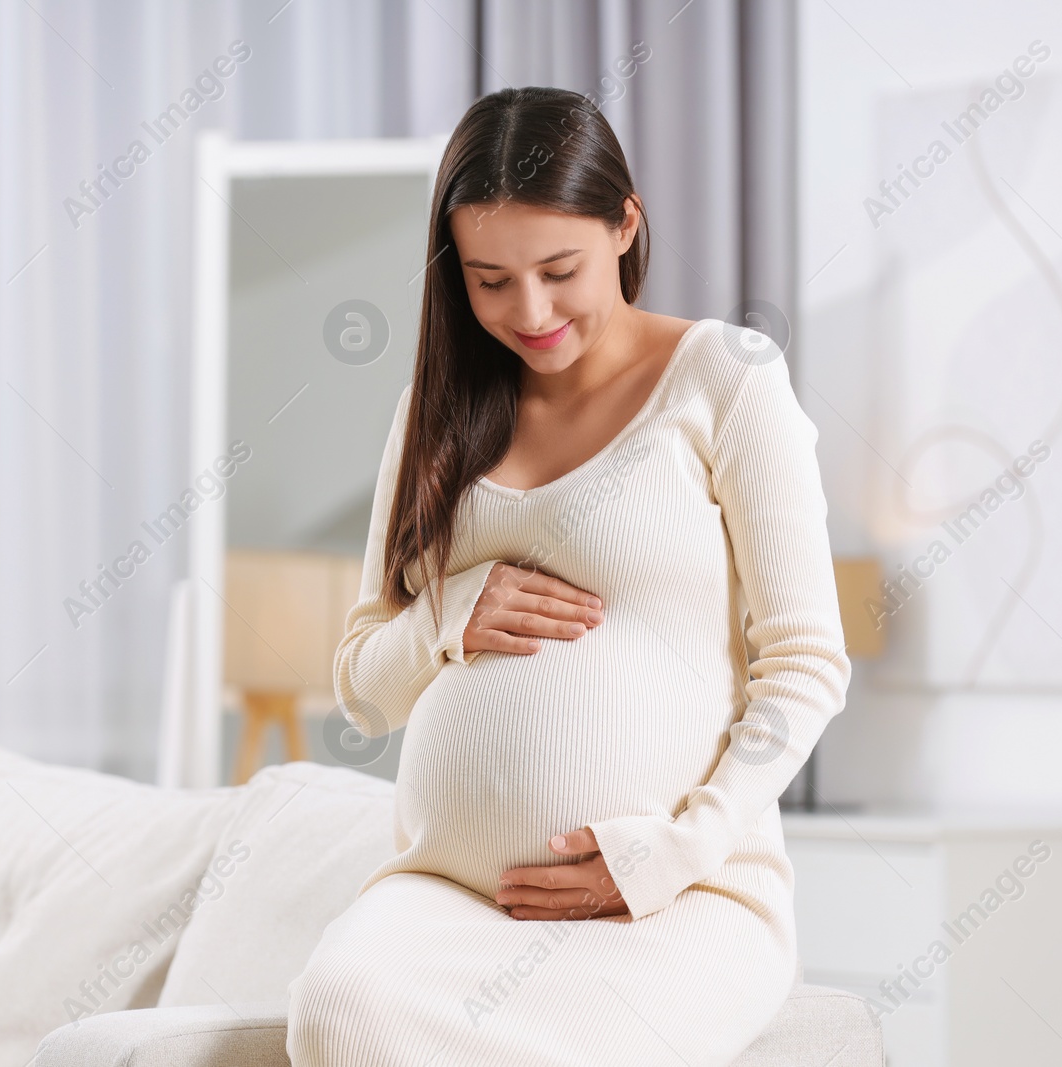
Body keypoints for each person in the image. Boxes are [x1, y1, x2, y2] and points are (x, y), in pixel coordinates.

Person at [287, 85, 851, 1067]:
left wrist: (674, 851)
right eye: (489, 278)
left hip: (676, 896)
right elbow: (360, 686)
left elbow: (807, 663)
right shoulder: (436, 407)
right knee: (338, 1014)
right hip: (449, 893)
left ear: (625, 224)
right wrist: (446, 615)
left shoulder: (724, 378)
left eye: (559, 269)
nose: (530, 312)